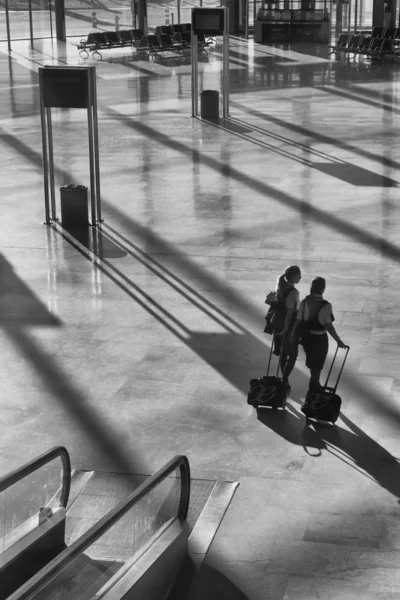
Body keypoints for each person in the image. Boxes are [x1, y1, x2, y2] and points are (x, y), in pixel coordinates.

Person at [291, 276, 347, 392]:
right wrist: (339, 341)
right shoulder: (327, 305)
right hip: (320, 338)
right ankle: (314, 388)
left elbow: (299, 320)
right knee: (318, 365)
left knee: (312, 364)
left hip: (306, 337)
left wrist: (293, 334)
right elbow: (329, 327)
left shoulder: (305, 302)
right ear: (323, 289)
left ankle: (315, 384)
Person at [271, 265, 302, 391]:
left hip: (277, 323)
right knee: (293, 354)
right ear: (294, 276)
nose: (301, 277)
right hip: (288, 326)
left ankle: (284, 378)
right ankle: (284, 379)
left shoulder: (279, 288)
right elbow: (290, 313)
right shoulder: (293, 292)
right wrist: (287, 328)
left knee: (283, 353)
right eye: (299, 275)